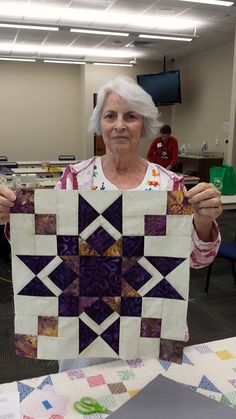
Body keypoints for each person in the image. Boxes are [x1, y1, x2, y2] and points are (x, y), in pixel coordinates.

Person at [0, 76, 222, 372]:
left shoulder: (170, 186)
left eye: (130, 116)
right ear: (99, 124)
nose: (119, 124)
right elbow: (44, 248)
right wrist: (13, 217)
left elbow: (194, 261)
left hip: (148, 327)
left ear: (143, 125)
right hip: (82, 330)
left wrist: (203, 222)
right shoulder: (76, 179)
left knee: (149, 405)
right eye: (110, 116)